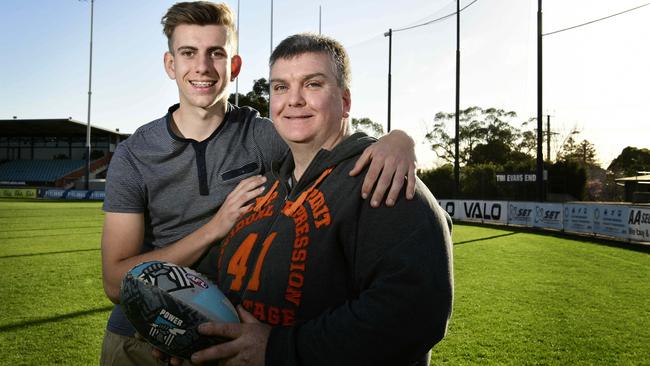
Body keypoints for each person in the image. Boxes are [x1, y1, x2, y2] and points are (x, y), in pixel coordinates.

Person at [100, 2, 419, 365]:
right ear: (170, 64)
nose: (202, 67)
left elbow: (330, 138)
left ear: (234, 66)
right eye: (188, 53)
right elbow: (115, 282)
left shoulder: (266, 135)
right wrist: (214, 229)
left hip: (232, 336)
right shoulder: (134, 154)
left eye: (216, 53)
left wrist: (398, 139)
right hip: (141, 338)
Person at [183, 33, 454, 366]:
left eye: (312, 84)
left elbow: (414, 314)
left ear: (345, 101)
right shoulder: (262, 187)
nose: (293, 100)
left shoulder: (386, 181)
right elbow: (215, 276)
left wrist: (278, 348)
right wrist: (190, 336)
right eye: (280, 87)